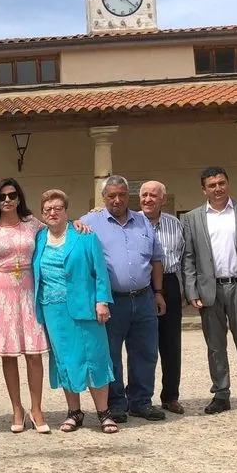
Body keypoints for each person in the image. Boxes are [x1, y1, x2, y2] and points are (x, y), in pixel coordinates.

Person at [80, 175, 167, 423]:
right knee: (111, 355)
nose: (117, 200)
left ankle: (141, 401)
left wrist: (158, 293)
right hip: (111, 301)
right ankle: (116, 403)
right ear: (103, 197)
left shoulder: (143, 221)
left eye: (121, 195)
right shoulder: (89, 222)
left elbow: (156, 259)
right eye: (111, 196)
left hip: (144, 298)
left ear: (128, 195)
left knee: (145, 352)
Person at [32, 189, 118, 434]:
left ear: (66, 211)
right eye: (47, 209)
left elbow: (100, 272)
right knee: (65, 360)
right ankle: (74, 412)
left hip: (85, 306)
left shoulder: (84, 235)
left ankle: (104, 413)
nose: (52, 213)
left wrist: (102, 301)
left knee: (95, 357)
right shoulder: (39, 238)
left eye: (57, 208)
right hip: (52, 309)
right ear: (42, 214)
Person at [181, 167, 237, 416]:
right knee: (215, 346)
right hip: (210, 290)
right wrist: (191, 290)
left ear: (228, 184)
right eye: (212, 185)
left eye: (221, 183)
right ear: (203, 189)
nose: (217, 188)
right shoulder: (192, 218)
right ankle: (220, 394)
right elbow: (189, 257)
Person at [0, 178, 51, 433]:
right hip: (1, 293)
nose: (7, 200)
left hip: (28, 291)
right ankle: (17, 408)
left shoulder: (33, 224)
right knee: (9, 355)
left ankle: (36, 409)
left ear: (19, 198)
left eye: (12, 195)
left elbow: (58, 229)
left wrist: (83, 222)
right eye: (2, 196)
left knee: (34, 353)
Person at [139, 180, 186, 415]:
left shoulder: (175, 224)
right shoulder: (131, 222)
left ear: (163, 200)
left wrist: (186, 290)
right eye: (144, 195)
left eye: (153, 195)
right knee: (141, 344)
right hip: (141, 285)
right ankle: (139, 397)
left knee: (171, 344)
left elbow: (185, 257)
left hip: (169, 282)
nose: (148, 199)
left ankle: (170, 396)